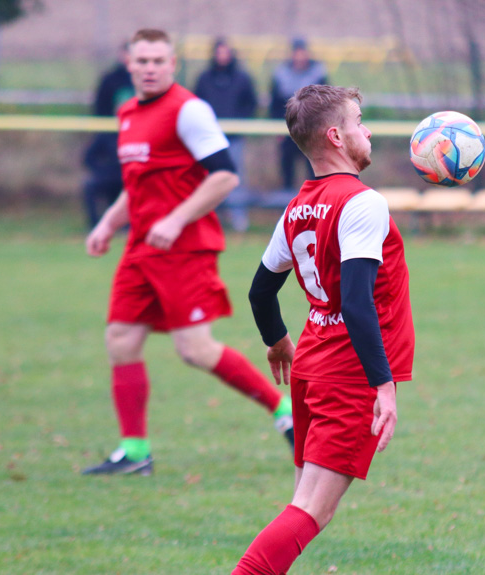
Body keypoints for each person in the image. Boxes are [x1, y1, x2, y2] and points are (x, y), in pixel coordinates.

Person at [82, 29, 293, 476]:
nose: (150, 68)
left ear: (173, 63)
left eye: (159, 60)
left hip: (185, 249)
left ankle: (284, 412)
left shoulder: (189, 110)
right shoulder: (126, 113)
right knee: (120, 340)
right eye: (142, 61)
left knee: (195, 350)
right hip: (141, 248)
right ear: (130, 64)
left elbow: (225, 177)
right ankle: (135, 453)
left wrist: (176, 219)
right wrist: (107, 223)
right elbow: (137, 186)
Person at [231, 85, 414, 574]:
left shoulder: (297, 208)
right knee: (312, 509)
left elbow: (260, 292)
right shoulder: (363, 203)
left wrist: (278, 343)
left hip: (312, 367)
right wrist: (384, 383)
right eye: (359, 121)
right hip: (348, 376)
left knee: (302, 505)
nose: (367, 130)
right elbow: (356, 304)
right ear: (336, 136)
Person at [194, 38, 258, 232]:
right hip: (210, 139)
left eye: (225, 52)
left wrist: (240, 121)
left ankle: (239, 220)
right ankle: (207, 218)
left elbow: (251, 103)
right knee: (208, 178)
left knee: (236, 177)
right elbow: (196, 103)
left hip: (234, 138)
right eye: (219, 52)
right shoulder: (205, 78)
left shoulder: (242, 78)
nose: (222, 57)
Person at [82, 43, 134, 229]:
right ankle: (100, 225)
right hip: (112, 168)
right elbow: (89, 157)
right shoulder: (110, 80)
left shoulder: (144, 81)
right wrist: (102, 170)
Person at [269, 37, 328, 192]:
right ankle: (288, 208)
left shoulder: (318, 73)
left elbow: (325, 103)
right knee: (287, 172)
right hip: (287, 130)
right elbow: (275, 104)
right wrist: (277, 129)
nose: (300, 57)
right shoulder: (281, 74)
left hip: (311, 131)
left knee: (314, 170)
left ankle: (314, 207)